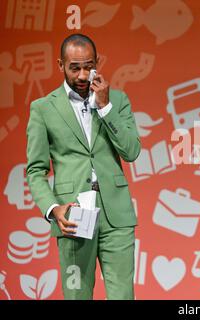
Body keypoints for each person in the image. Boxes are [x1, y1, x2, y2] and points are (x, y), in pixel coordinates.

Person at [26, 34, 140, 300]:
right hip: (73, 217)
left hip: (117, 217)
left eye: (88, 66)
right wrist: (54, 209)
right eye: (74, 67)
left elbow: (131, 151)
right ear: (60, 65)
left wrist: (105, 106)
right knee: (77, 296)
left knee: (123, 296)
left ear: (97, 62)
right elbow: (35, 170)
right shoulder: (43, 109)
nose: (82, 74)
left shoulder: (117, 101)